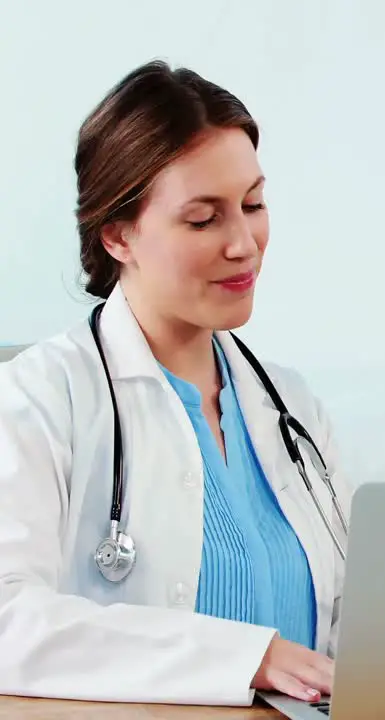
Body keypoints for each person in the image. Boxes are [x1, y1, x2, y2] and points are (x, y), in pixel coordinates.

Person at [0, 62, 350, 705]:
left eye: (253, 204)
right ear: (118, 234)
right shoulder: (39, 399)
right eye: (203, 219)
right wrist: (249, 657)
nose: (244, 243)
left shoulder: (290, 406)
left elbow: (350, 621)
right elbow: (8, 622)